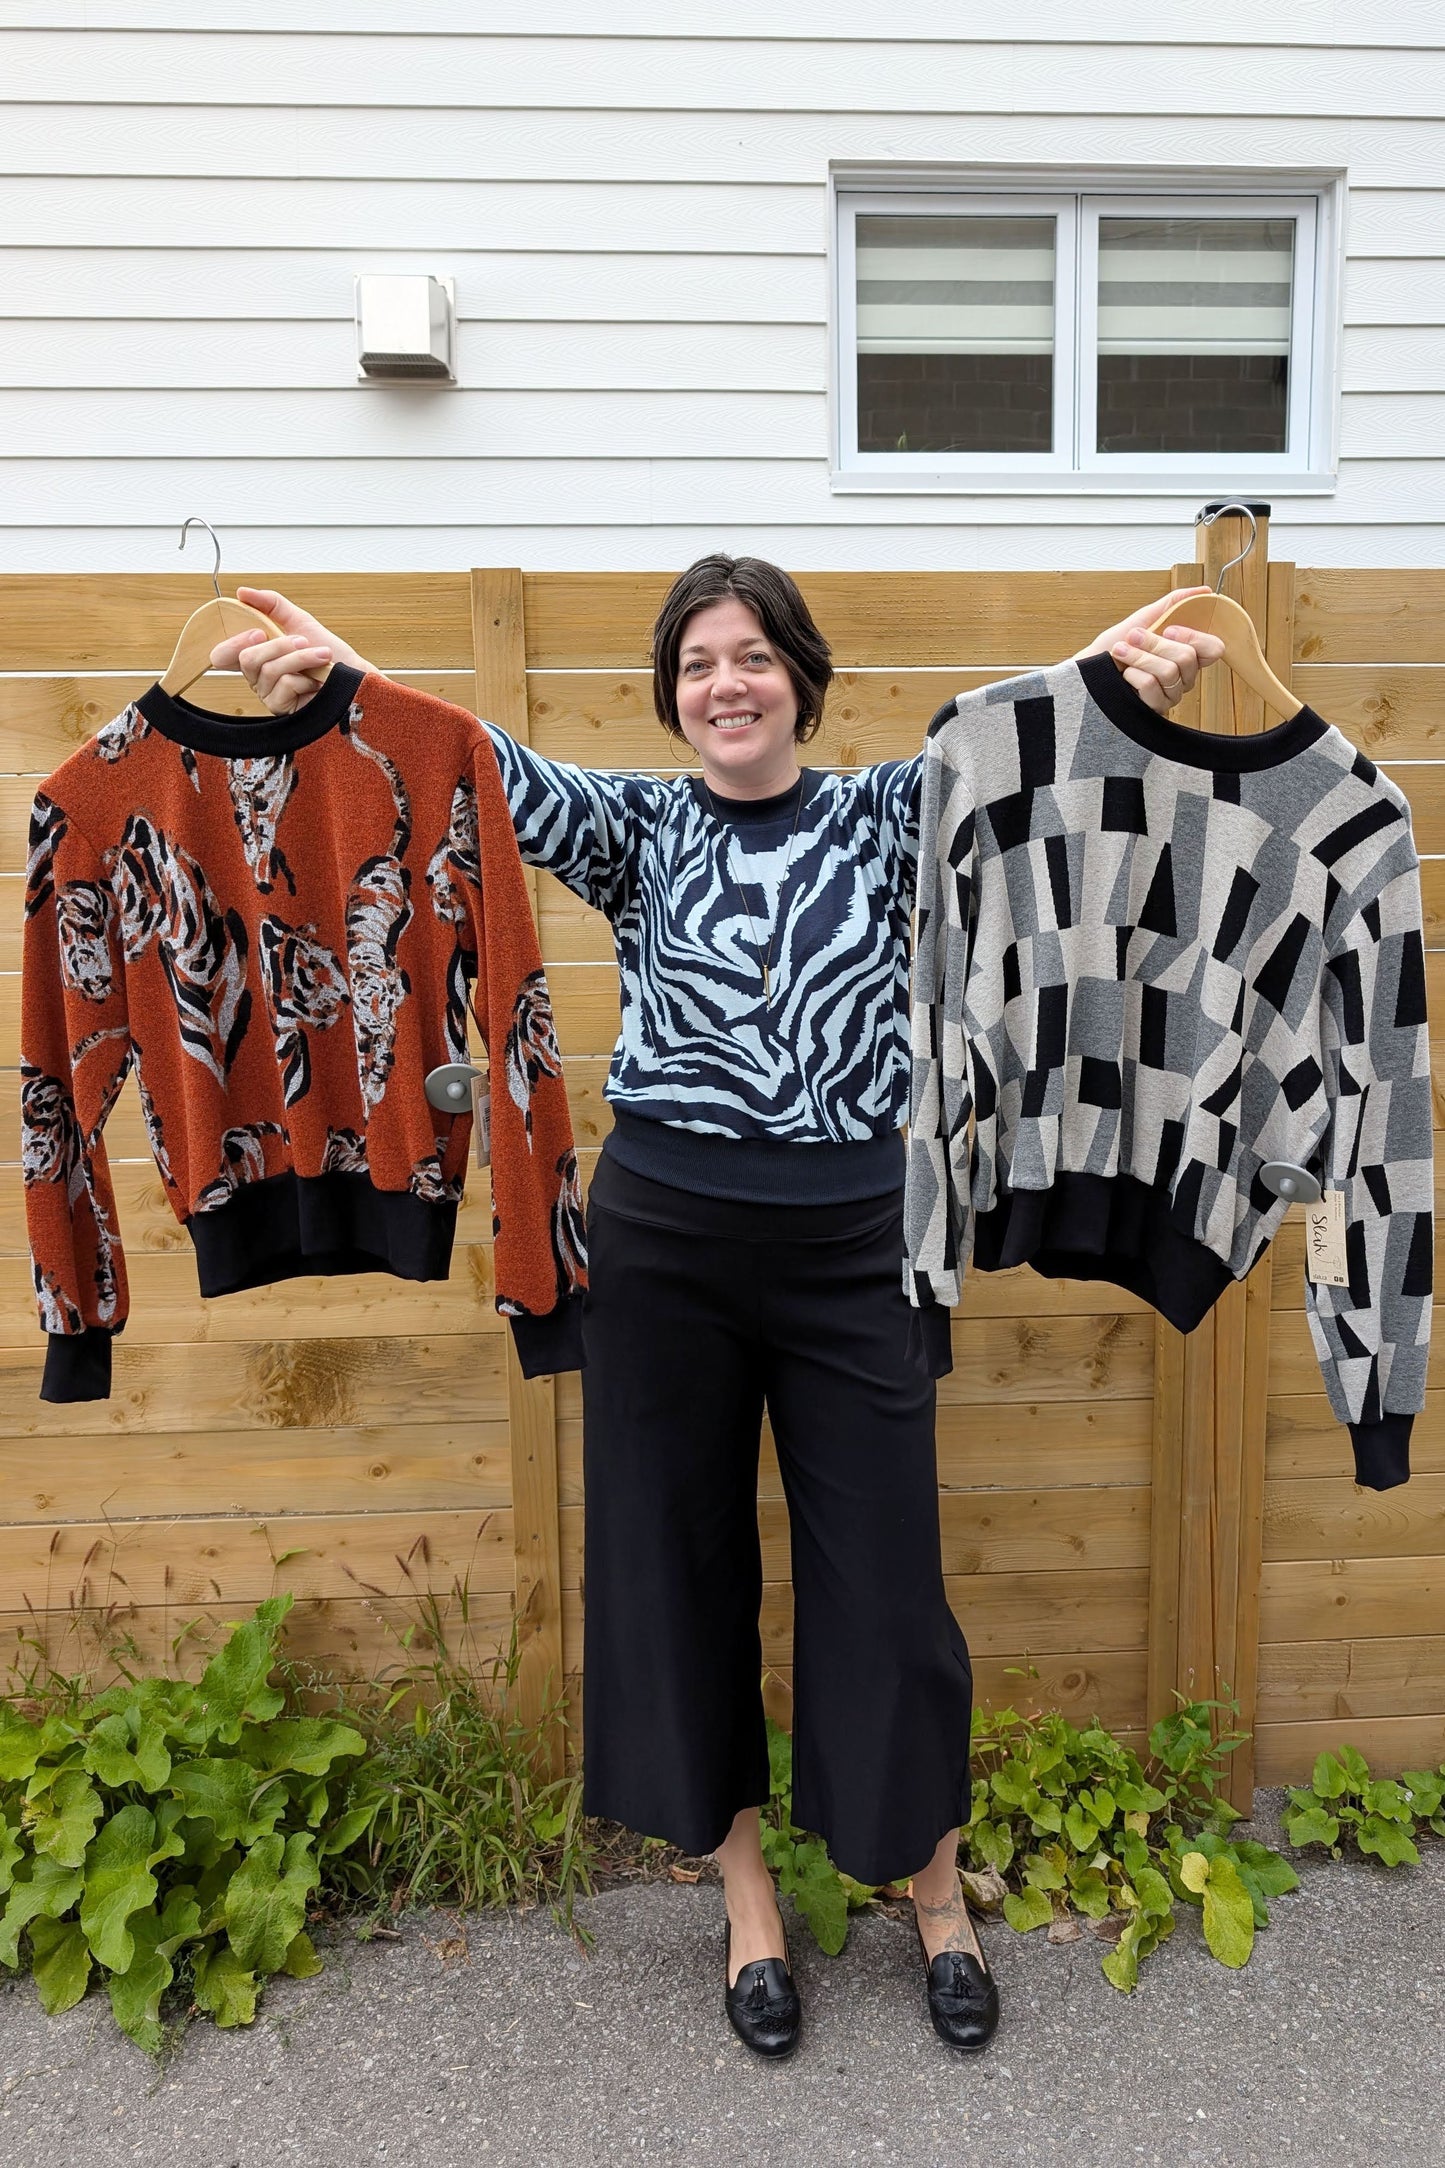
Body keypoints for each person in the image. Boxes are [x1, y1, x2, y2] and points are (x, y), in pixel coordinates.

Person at [212, 562, 1221, 2057]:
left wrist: (1106, 670)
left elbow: (1000, 736)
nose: (725, 685)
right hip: (665, 1243)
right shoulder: (639, 826)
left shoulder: (885, 817)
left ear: (799, 677)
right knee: (673, 1566)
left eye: (751, 658)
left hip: (850, 1243)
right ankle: (745, 1900)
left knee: (884, 1584)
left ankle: (931, 1891)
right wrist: (344, 680)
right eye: (697, 664)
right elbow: (467, 762)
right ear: (673, 692)